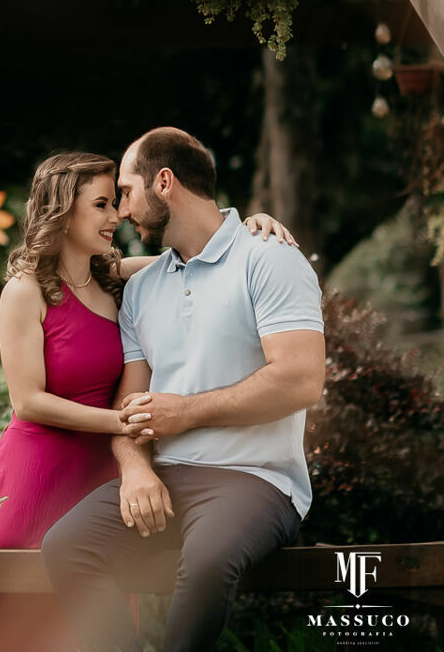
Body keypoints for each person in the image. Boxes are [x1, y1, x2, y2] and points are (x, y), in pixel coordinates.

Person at [0, 150, 297, 652]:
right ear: (61, 210)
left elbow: (202, 252)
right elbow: (27, 402)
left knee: (90, 620)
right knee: (21, 623)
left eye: (116, 202)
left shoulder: (117, 280)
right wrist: (124, 420)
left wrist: (253, 226)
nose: (116, 216)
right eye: (101, 205)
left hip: (104, 471)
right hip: (39, 470)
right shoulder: (24, 292)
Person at [41, 127, 325, 652]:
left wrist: (185, 413)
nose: (122, 210)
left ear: (164, 182)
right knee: (65, 546)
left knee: (208, 561)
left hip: (254, 479)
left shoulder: (270, 259)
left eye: (125, 191)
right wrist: (133, 469)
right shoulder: (144, 287)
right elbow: (132, 405)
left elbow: (301, 380)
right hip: (165, 478)